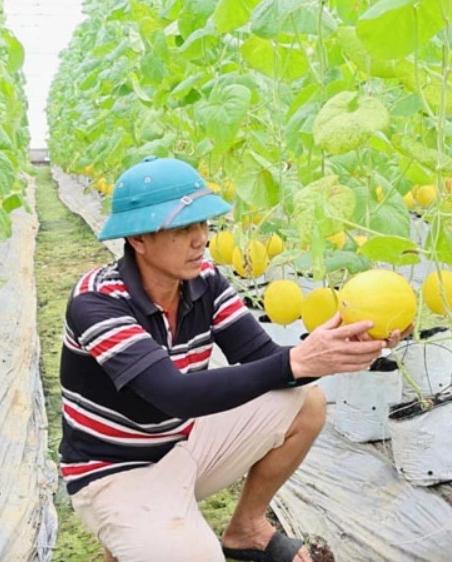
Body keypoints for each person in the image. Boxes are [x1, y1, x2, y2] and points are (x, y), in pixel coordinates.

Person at [58, 156, 404, 562]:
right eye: (183, 229)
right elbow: (172, 394)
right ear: (138, 239)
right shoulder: (98, 300)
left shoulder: (204, 280)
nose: (201, 240)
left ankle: (246, 529)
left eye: (203, 224)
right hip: (114, 471)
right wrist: (298, 360)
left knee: (305, 404)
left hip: (182, 443)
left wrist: (341, 347)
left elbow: (267, 359)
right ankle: (130, 525)